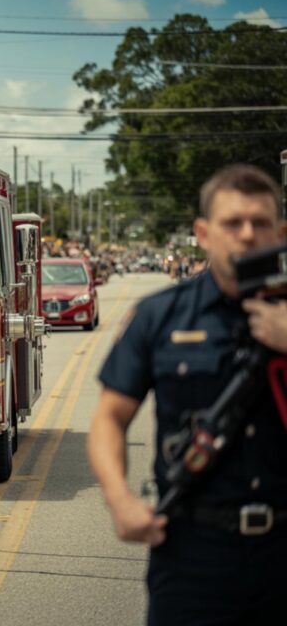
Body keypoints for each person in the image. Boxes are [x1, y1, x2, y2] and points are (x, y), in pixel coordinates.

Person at [87, 164, 287, 625]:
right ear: (203, 233)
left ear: (280, 232)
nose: (246, 234)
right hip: (192, 552)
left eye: (259, 223)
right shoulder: (161, 315)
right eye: (232, 223)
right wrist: (120, 501)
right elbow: (109, 419)